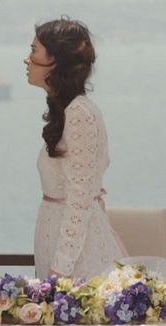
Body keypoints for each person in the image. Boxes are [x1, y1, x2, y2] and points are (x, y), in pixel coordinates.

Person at [25, 18, 128, 279]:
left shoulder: (78, 113)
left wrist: (59, 271)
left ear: (55, 61)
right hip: (56, 238)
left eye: (34, 50)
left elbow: (80, 200)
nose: (27, 59)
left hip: (77, 258)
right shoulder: (68, 109)